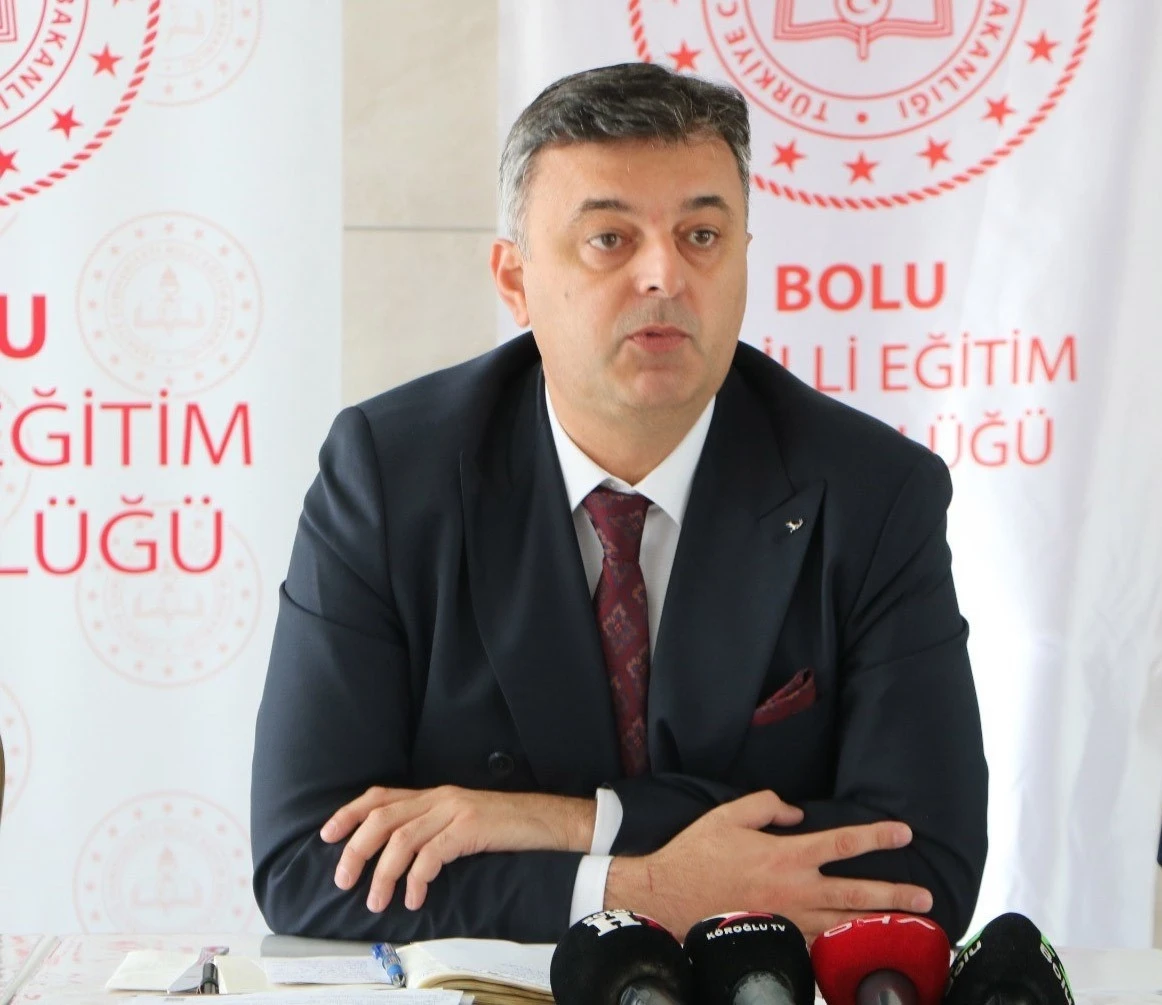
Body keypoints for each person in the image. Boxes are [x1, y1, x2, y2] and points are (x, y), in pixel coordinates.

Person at [251, 62, 988, 945]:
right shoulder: (389, 475)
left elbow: (926, 869)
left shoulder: (872, 490)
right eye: (609, 238)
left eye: (702, 235)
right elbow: (306, 859)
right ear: (515, 280)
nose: (665, 275)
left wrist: (567, 823)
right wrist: (637, 887)